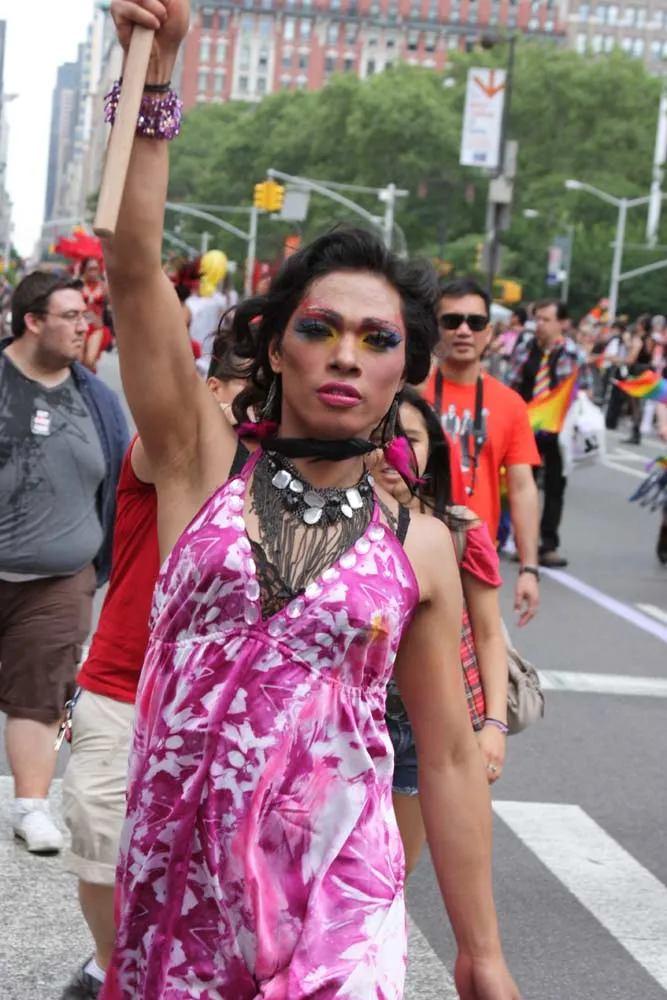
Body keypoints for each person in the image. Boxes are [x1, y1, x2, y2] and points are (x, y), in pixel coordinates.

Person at [101, 4, 519, 998]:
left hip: (341, 900)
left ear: (405, 368)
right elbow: (131, 261)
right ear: (276, 344)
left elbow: (446, 757)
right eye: (320, 328)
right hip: (180, 892)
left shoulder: (419, 542)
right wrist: (155, 74)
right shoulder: (199, 458)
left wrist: (481, 954)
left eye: (378, 340)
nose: (345, 355)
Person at [60, 331, 252, 1000]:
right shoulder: (165, 450)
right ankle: (112, 964)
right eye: (246, 391)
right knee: (99, 839)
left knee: (200, 862)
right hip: (122, 682)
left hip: (216, 700)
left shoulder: (278, 479)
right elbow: (166, 403)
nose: (256, 408)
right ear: (211, 389)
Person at [0, 271, 128, 855]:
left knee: (43, 694)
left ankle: (31, 807)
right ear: (32, 320)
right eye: (71, 316)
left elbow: (117, 483)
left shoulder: (96, 399)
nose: (85, 326)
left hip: (59, 581)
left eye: (85, 315)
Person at [373, 387, 507, 876]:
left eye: (409, 439)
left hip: (425, 725)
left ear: (432, 450)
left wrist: (493, 726)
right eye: (380, 437)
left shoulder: (460, 529)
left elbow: (488, 634)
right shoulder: (332, 523)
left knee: (394, 873)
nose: (393, 451)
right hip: (353, 720)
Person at [422, 277, 541, 626]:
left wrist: (529, 569)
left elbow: (522, 488)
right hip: (413, 554)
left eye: (475, 322)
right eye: (451, 321)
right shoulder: (408, 392)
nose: (463, 331)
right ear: (435, 328)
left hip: (475, 561)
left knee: (486, 656)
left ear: (488, 333)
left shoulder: (510, 404)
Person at [507, 298, 593, 568]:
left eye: (546, 319)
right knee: (523, 485)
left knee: (556, 486)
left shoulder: (574, 354)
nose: (540, 325)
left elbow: (587, 389)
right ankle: (523, 543)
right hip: (526, 427)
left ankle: (549, 545)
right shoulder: (525, 348)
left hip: (560, 430)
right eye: (538, 319)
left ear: (562, 323)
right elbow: (511, 384)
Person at [80, 257, 112, 373]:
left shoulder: (104, 287)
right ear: (84, 270)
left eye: (96, 269)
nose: (93, 272)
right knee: (79, 361)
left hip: (96, 327)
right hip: (80, 326)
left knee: (89, 360)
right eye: (90, 269)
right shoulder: (78, 286)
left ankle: (90, 382)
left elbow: (111, 303)